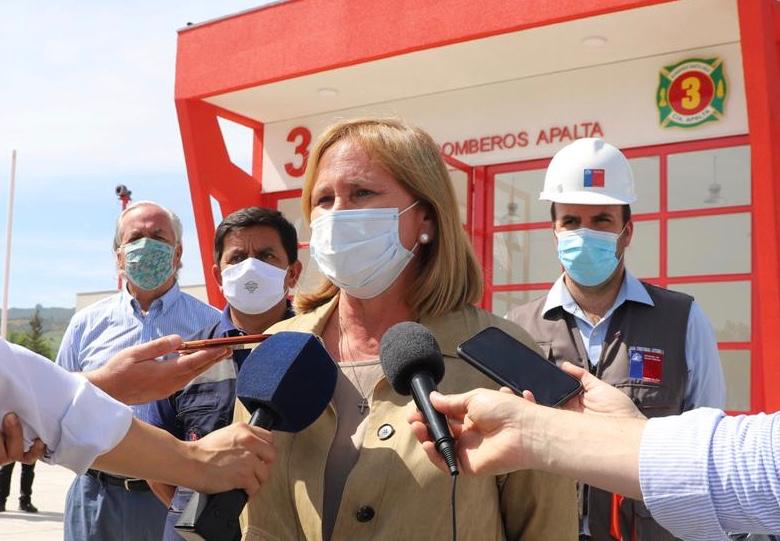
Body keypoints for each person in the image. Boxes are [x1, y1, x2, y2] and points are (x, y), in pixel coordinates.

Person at [234, 118, 577, 540]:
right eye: (324, 199)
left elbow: (547, 525)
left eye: (361, 192)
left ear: (426, 219)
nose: (338, 213)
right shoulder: (277, 350)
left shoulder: (505, 356)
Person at [507, 137, 726, 540]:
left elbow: (703, 449)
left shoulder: (683, 320)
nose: (584, 233)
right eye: (571, 221)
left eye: (602, 221)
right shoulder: (517, 327)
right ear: (554, 232)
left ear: (627, 232)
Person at [408, 362, 780, 541]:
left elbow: (756, 469)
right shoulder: (523, 318)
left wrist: (531, 431)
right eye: (569, 220)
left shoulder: (680, 313)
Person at [56, 200, 221, 541]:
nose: (146, 245)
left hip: (170, 497)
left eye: (158, 236)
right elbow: (58, 402)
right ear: (119, 256)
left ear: (177, 254)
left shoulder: (211, 325)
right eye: (135, 238)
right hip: (95, 496)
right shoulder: (86, 324)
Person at [147, 207, 302, 540]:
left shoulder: (319, 353)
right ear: (218, 275)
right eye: (237, 257)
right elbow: (155, 461)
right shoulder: (185, 357)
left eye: (266, 256)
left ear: (292, 273)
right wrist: (196, 509)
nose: (250, 267)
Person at [0, 338, 275, 496]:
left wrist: (110, 385)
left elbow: (32, 397)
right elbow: (45, 401)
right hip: (98, 488)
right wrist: (197, 461)